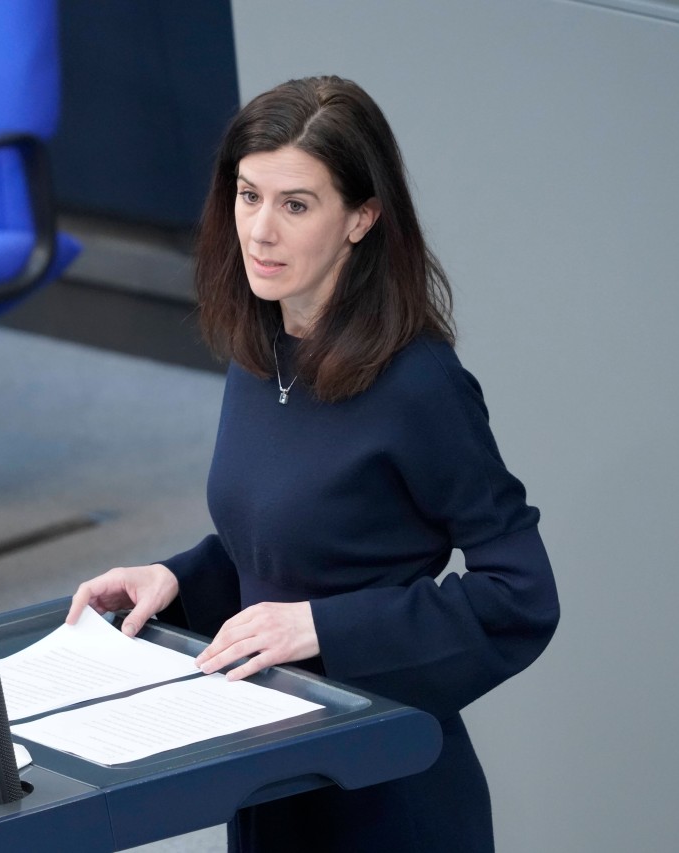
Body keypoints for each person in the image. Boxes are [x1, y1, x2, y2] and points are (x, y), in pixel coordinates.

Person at [65, 76, 559, 853]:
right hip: (269, 770)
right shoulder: (260, 349)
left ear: (361, 218)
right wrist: (180, 582)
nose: (260, 231)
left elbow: (521, 595)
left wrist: (323, 626)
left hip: (385, 794)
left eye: (296, 204)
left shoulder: (420, 384)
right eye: (248, 195)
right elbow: (287, 543)